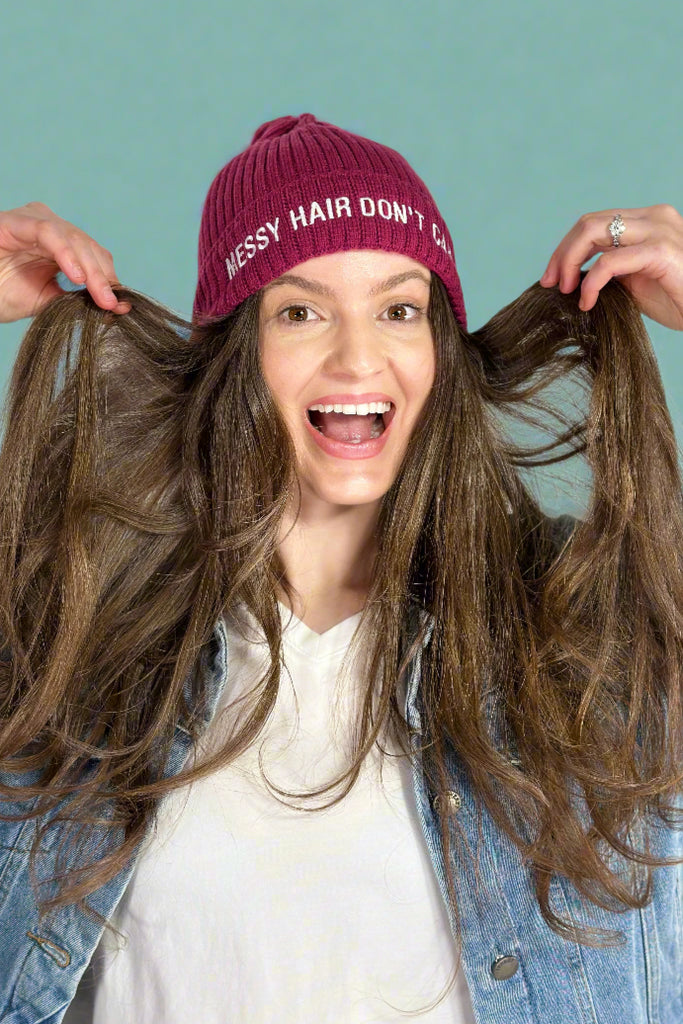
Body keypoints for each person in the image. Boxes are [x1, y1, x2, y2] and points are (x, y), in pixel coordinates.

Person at [0, 113, 682, 1024]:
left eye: (398, 309)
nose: (359, 356)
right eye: (300, 310)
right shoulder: (73, 661)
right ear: (239, 352)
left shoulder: (589, 639)